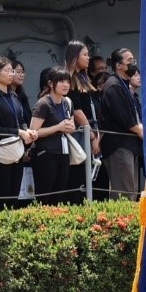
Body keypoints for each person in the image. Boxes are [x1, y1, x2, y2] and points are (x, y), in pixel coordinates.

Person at [0, 56, 37, 213]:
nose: (11, 73)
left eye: (12, 70)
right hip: (0, 154)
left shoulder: (13, 95)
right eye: (7, 70)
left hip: (16, 152)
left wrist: (28, 131)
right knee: (1, 197)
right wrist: (19, 132)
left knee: (13, 196)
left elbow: (20, 120)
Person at [98, 48, 143, 199]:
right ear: (119, 65)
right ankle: (120, 223)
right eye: (129, 61)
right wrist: (139, 130)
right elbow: (123, 116)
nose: (133, 64)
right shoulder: (113, 85)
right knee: (124, 191)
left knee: (132, 189)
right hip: (119, 145)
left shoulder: (123, 85)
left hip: (130, 144)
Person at [29, 67, 77, 205]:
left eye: (68, 81)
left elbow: (71, 126)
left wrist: (69, 128)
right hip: (46, 154)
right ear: (51, 83)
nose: (65, 84)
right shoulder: (43, 104)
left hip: (63, 153)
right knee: (44, 196)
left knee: (58, 195)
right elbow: (33, 132)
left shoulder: (67, 102)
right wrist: (58, 127)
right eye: (61, 81)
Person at [64, 41, 101, 204]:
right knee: (77, 176)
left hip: (88, 129)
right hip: (78, 133)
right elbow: (77, 111)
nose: (88, 58)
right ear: (74, 56)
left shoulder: (82, 77)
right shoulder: (69, 78)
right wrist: (91, 135)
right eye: (85, 55)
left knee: (87, 177)